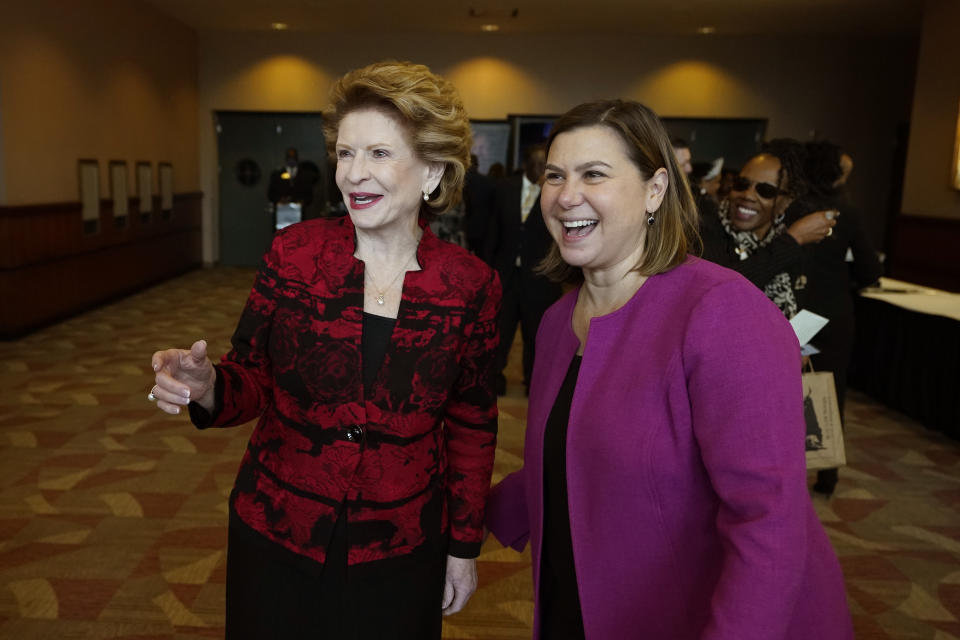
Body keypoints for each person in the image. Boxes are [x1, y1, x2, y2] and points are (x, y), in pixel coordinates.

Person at [148, 61, 501, 639]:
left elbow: (471, 423)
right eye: (345, 153)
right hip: (279, 526)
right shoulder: (295, 255)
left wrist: (463, 546)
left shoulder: (470, 285)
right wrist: (210, 384)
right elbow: (253, 377)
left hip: (401, 539)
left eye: (379, 155)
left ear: (434, 171)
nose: (354, 174)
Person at [485, 99, 853, 639]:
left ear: (655, 189)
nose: (566, 196)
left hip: (695, 613)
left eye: (594, 175)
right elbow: (570, 457)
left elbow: (768, 522)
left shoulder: (721, 312)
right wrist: (451, 517)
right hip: (585, 595)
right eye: (555, 176)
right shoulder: (559, 321)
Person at [800, 141, 882, 495]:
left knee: (783, 388)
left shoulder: (794, 207)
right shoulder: (845, 211)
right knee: (831, 390)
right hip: (832, 312)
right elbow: (869, 269)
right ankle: (827, 473)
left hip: (794, 309)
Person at [699, 139, 837, 317]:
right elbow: (721, 292)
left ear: (786, 202)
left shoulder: (792, 243)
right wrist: (792, 241)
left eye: (765, 190)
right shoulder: (705, 231)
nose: (748, 195)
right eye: (742, 184)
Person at [484, 144, 562, 395]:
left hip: (539, 279)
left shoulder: (557, 194)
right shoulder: (505, 189)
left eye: (545, 165)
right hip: (506, 276)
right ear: (526, 164)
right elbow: (492, 232)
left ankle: (533, 381)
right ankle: (495, 378)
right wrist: (488, 271)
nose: (541, 169)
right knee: (501, 332)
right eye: (538, 164)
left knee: (535, 334)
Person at [268, 147, 320, 225]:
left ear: (297, 158)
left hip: (299, 215)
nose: (291, 159)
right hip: (282, 215)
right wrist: (279, 200)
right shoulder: (277, 174)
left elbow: (309, 195)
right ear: (286, 158)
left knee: (298, 235)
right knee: (282, 235)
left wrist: (302, 201)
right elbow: (270, 194)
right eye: (289, 157)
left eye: (293, 157)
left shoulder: (305, 175)